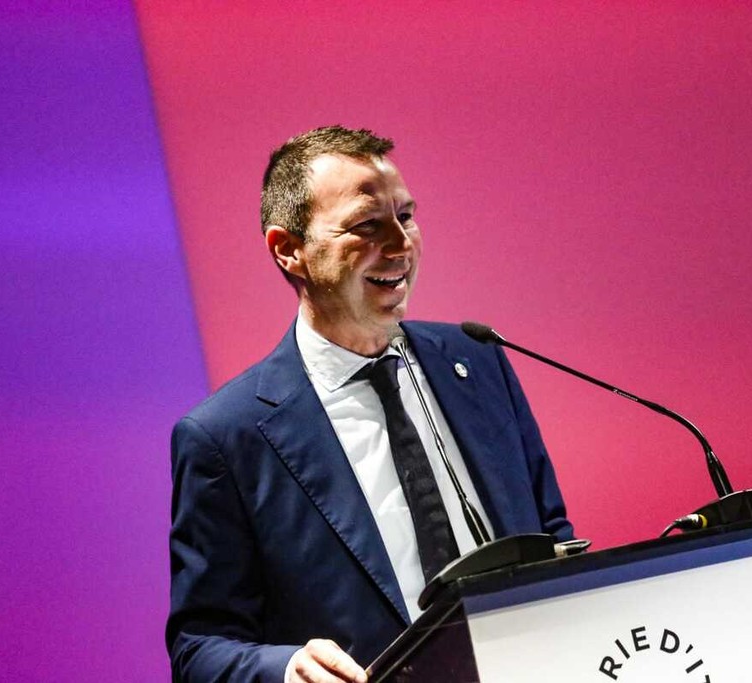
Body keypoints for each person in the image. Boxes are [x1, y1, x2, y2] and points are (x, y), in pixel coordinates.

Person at [167, 125, 573, 683]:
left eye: (405, 216)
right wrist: (284, 668)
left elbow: (552, 534)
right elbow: (199, 647)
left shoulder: (478, 361)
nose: (401, 245)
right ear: (289, 250)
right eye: (367, 225)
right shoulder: (226, 437)